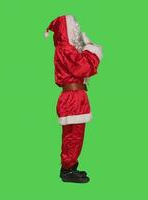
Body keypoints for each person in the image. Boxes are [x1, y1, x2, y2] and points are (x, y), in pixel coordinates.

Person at [45, 15, 103, 183]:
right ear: (67, 29)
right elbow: (82, 68)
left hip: (75, 96)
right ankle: (67, 170)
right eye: (74, 24)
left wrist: (85, 49)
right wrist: (91, 50)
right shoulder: (66, 49)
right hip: (72, 98)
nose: (77, 27)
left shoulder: (67, 49)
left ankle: (71, 167)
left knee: (75, 135)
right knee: (73, 136)